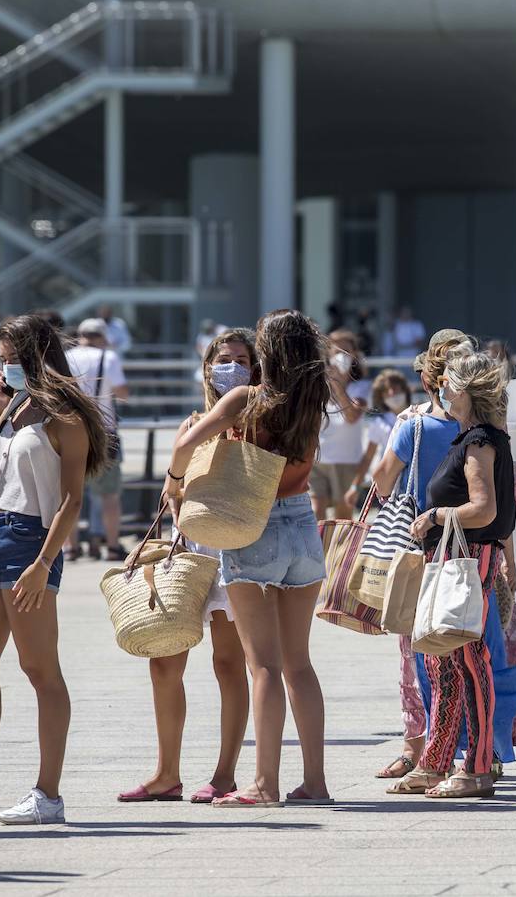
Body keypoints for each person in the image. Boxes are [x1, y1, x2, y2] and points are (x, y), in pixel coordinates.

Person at [163, 309, 332, 807]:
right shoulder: (312, 405)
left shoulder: (247, 399)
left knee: (262, 666)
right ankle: (316, 782)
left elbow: (185, 444)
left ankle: (263, 783)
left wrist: (175, 483)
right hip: (302, 524)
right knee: (299, 664)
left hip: (253, 526)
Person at [0, 313, 110, 825]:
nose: (4, 368)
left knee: (40, 670)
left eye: (11, 359)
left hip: (29, 540)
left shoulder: (65, 416)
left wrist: (44, 563)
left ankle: (48, 794)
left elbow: (71, 499)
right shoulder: (15, 407)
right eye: (0, 360)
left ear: (36, 356)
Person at [119, 329, 252, 805]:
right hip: (190, 553)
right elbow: (169, 493)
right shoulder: (193, 421)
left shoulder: (257, 419)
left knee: (228, 662)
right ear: (207, 368)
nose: (231, 367)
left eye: (241, 359)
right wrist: (175, 497)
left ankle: (225, 772)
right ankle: (166, 773)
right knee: (164, 659)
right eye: (224, 359)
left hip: (235, 551)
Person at [392, 348, 516, 798]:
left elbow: (484, 510)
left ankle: (478, 766)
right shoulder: (473, 437)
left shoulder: (481, 440)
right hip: (457, 558)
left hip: (470, 557)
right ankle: (437, 759)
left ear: (462, 389)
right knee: (441, 658)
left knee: (467, 657)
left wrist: (436, 516)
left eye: (447, 381)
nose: (440, 386)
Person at [371, 330, 470, 781]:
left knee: (416, 653)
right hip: (472, 549)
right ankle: (474, 746)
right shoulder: (486, 426)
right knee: (471, 650)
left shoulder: (413, 426)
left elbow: (383, 481)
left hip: (419, 549)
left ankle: (421, 748)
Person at [65, 318, 130, 561]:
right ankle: (112, 546)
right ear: (102, 337)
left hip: (72, 432)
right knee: (109, 495)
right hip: (104, 433)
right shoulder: (108, 358)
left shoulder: (67, 357)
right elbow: (123, 392)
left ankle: (70, 547)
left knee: (69, 494)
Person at [310, 331, 368, 520]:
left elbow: (352, 416)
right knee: (315, 513)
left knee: (342, 519)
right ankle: (319, 551)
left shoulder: (362, 387)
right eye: (337, 349)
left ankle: (340, 551)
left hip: (346, 461)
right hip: (318, 460)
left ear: (354, 355)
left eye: (346, 349)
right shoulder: (318, 386)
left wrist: (338, 385)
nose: (341, 353)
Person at [347, 369, 411, 512]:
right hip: (390, 485)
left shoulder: (417, 414)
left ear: (404, 389)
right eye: (386, 391)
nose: (391, 393)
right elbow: (368, 457)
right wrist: (355, 487)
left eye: (395, 388)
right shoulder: (379, 423)